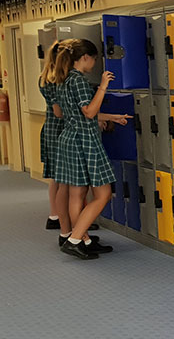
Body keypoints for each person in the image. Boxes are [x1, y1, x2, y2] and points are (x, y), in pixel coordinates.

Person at [49, 38, 127, 259]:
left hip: (70, 138)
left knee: (78, 193)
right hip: (85, 142)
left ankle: (83, 239)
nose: (95, 63)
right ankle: (75, 239)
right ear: (85, 58)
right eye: (94, 59)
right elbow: (90, 113)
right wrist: (102, 86)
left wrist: (113, 117)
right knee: (103, 194)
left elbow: (73, 114)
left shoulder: (62, 80)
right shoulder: (80, 81)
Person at [38, 42, 68, 234]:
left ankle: (54, 215)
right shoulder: (54, 80)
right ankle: (59, 216)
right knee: (61, 177)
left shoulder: (43, 77)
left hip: (50, 128)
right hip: (58, 128)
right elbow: (59, 112)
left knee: (56, 177)